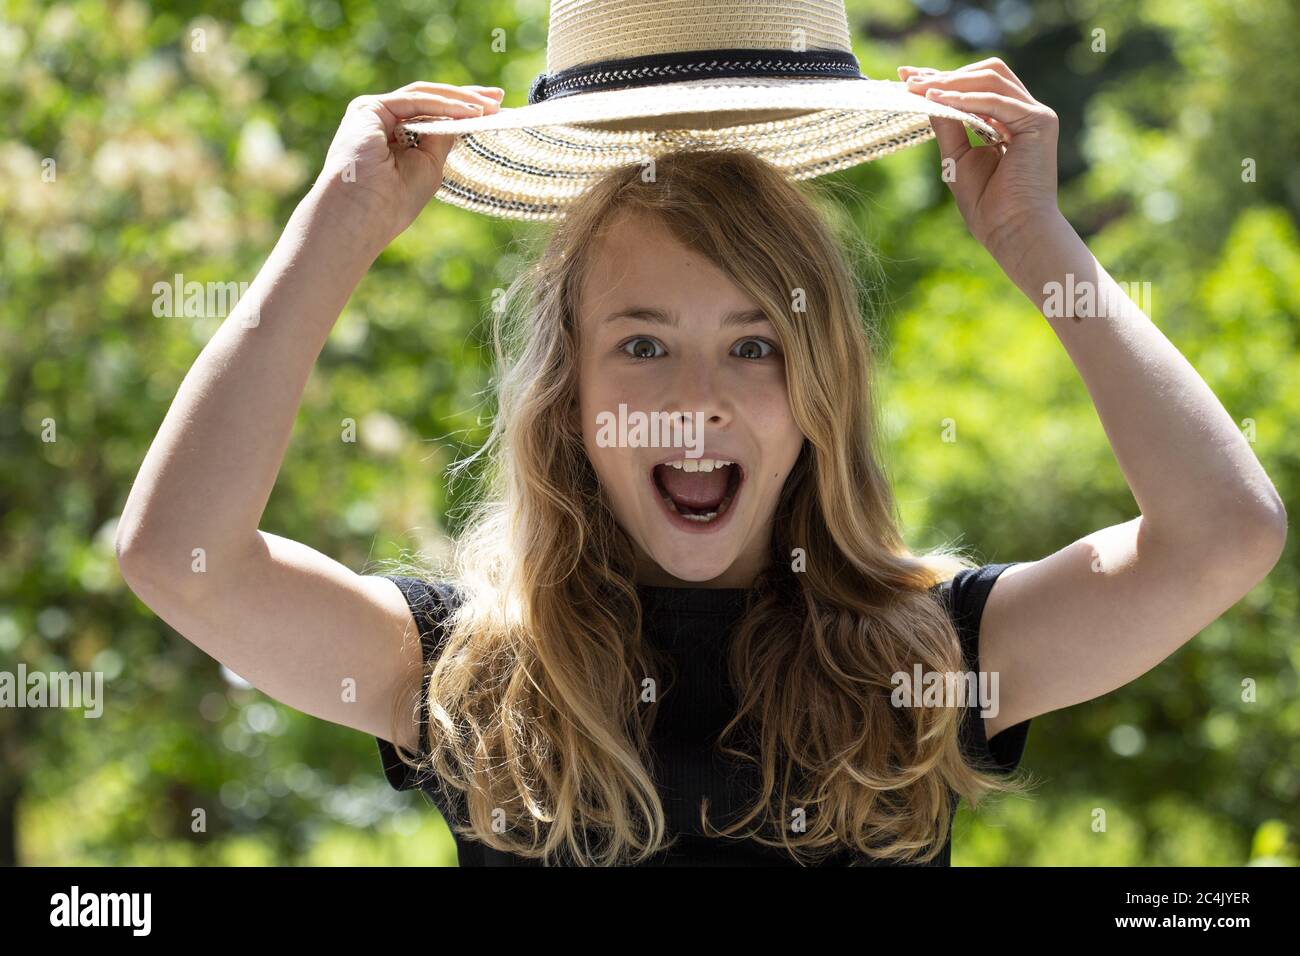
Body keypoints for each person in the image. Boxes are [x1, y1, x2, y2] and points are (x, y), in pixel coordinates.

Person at [117, 63, 1286, 867]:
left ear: (820, 389)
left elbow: (1222, 536)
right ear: (567, 399)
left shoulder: (937, 657)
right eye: (641, 343)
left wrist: (1035, 239)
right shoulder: (461, 670)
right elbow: (181, 557)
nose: (696, 400)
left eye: (753, 344)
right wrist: (336, 227)